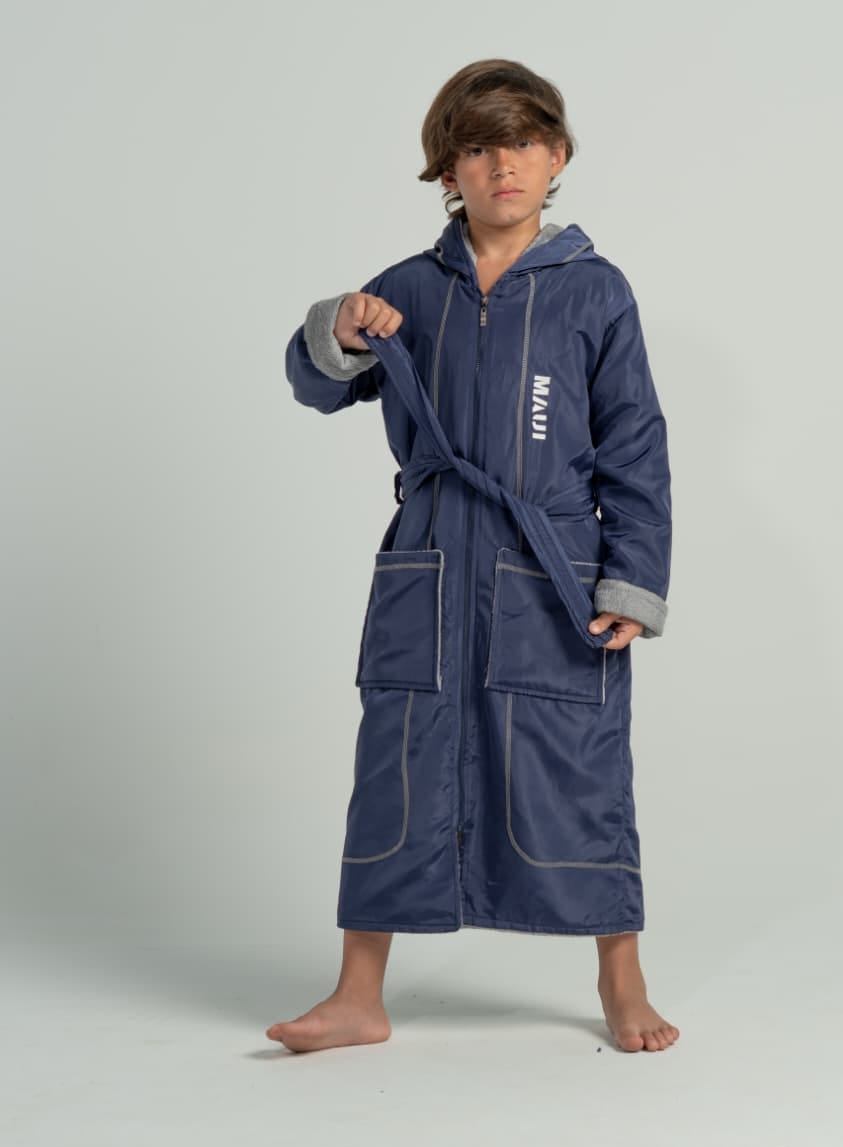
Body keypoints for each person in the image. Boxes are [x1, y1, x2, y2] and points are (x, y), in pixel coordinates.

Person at [267, 59, 678, 1054]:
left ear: (558, 157)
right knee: (400, 763)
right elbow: (315, 385)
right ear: (447, 170)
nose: (505, 165)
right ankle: (358, 995)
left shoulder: (594, 291)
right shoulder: (408, 289)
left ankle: (621, 979)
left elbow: (633, 443)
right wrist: (340, 325)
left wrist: (631, 580)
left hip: (551, 566)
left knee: (578, 765)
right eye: (481, 148)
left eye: (525, 143)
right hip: (432, 564)